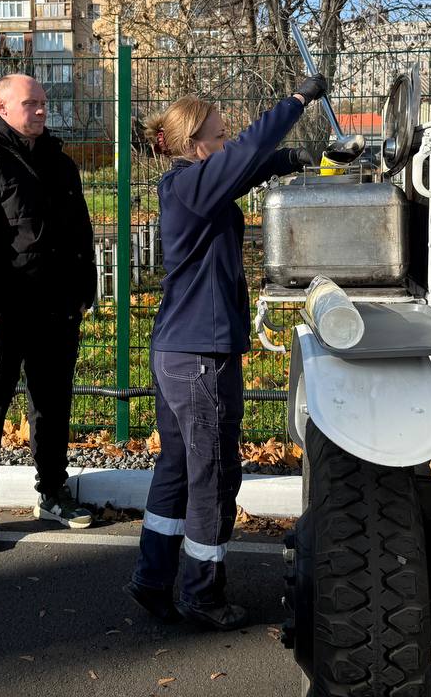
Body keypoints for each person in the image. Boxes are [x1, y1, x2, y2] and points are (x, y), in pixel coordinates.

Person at [126, 74, 328, 631]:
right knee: (213, 478)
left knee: (177, 469)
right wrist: (297, 100)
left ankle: (151, 578)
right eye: (218, 135)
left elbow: (247, 165)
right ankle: (202, 594)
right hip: (200, 358)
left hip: (179, 349)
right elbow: (246, 153)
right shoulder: (193, 186)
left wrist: (293, 158)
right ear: (196, 146)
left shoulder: (188, 185)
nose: (227, 139)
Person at [0, 74, 96, 527]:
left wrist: (82, 292)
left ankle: (53, 492)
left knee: (53, 405)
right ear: (2, 107)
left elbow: (81, 231)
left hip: (58, 311)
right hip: (3, 315)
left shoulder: (59, 162)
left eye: (43, 102)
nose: (42, 110)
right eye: (31, 103)